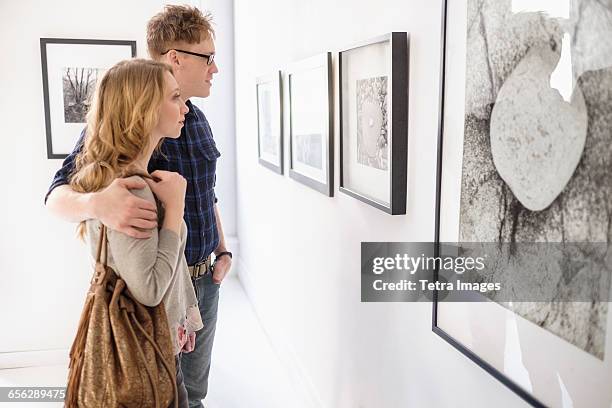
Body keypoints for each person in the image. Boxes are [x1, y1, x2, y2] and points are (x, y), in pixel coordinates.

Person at [45, 6, 231, 407]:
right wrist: (98, 203)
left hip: (202, 279)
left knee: (191, 394)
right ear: (176, 57)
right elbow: (56, 196)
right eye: (209, 57)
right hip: (159, 287)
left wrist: (222, 249)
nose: (215, 68)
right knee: (158, 389)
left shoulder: (195, 119)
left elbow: (206, 191)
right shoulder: (129, 127)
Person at [69, 58, 201, 407]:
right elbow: (150, 289)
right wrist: (175, 208)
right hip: (149, 350)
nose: (185, 107)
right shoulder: (131, 190)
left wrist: (185, 316)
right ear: (143, 109)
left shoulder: (127, 178)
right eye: (174, 98)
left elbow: (161, 268)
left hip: (160, 340)